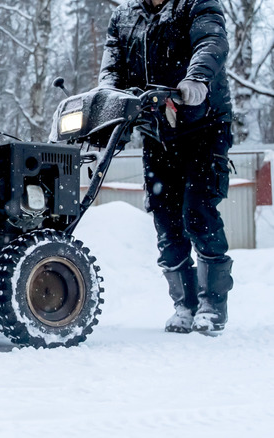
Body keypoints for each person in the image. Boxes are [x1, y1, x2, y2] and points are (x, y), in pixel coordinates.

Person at [98, 0, 234, 334]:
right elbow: (111, 71)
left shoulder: (196, 4)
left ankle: (211, 305)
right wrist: (108, 102)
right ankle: (184, 304)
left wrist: (197, 79)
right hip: (157, 129)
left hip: (204, 124)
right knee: (165, 217)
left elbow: (211, 40)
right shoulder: (124, 17)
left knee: (197, 211)